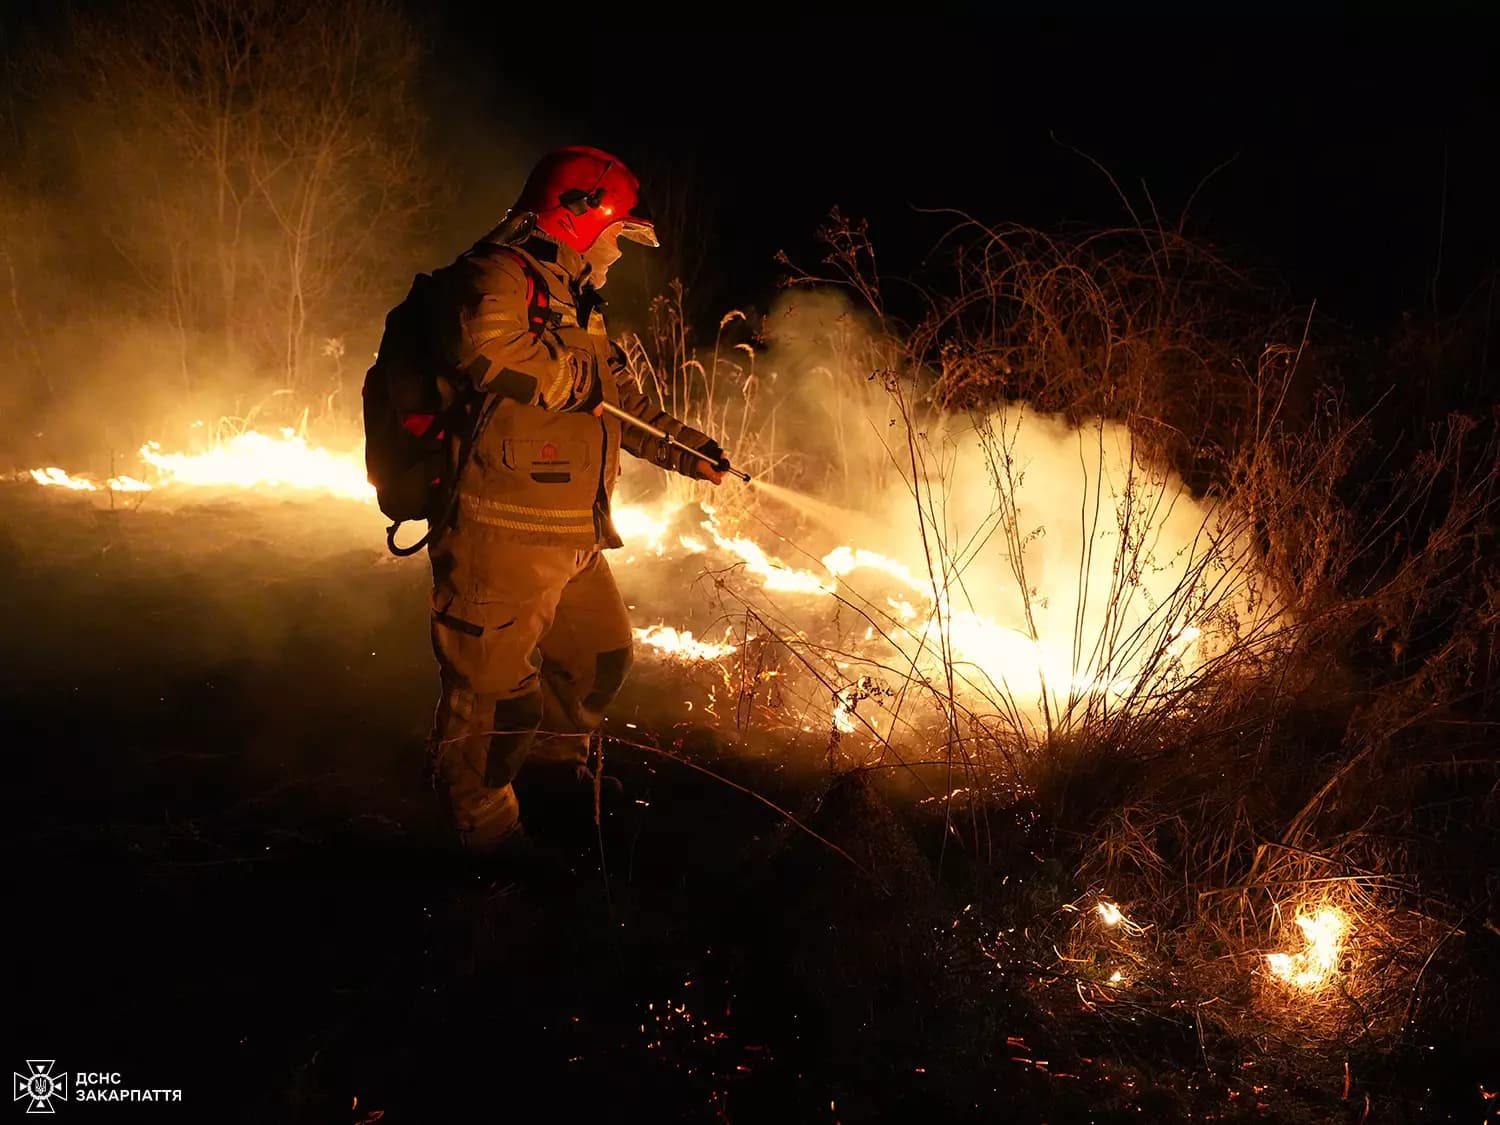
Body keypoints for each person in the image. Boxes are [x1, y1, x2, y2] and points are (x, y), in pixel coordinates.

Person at [422, 145, 729, 863]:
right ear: (577, 218)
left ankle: (555, 783)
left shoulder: (577, 303)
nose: (619, 255)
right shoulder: (496, 274)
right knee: (495, 698)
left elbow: (625, 404)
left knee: (600, 660)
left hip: (572, 532)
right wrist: (571, 380)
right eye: (617, 237)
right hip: (501, 531)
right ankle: (482, 841)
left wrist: (694, 452)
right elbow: (482, 346)